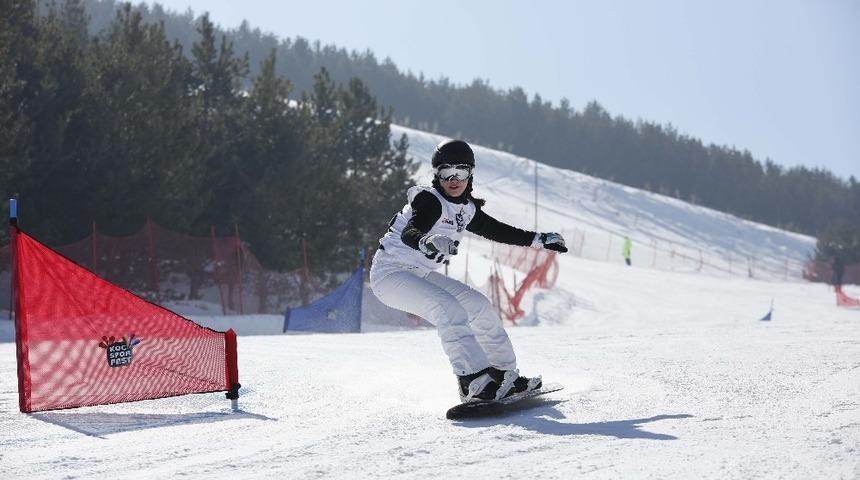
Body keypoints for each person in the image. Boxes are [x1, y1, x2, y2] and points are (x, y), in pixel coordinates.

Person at [370, 139, 568, 403]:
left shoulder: (465, 209)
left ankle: (503, 376)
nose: (453, 179)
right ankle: (473, 383)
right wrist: (425, 241)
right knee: (447, 308)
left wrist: (540, 239)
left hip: (418, 273)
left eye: (460, 172)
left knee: (479, 305)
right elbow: (410, 231)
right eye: (446, 172)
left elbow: (498, 231)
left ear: (470, 174)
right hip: (390, 275)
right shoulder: (431, 201)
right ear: (436, 175)